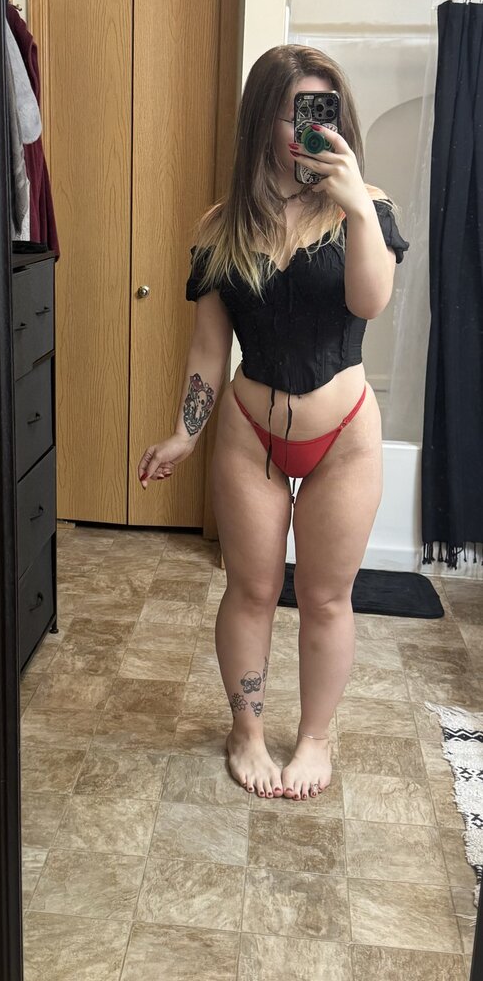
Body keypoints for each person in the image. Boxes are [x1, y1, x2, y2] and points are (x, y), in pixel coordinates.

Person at [138, 45, 409, 803]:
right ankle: (247, 730)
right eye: (294, 113)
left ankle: (314, 738)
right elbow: (208, 346)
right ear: (263, 118)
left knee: (324, 597)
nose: (309, 129)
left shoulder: (368, 207)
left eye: (323, 111)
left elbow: (368, 303)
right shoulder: (220, 226)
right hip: (248, 432)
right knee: (251, 589)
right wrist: (184, 432)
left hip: (343, 435)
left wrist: (356, 206)